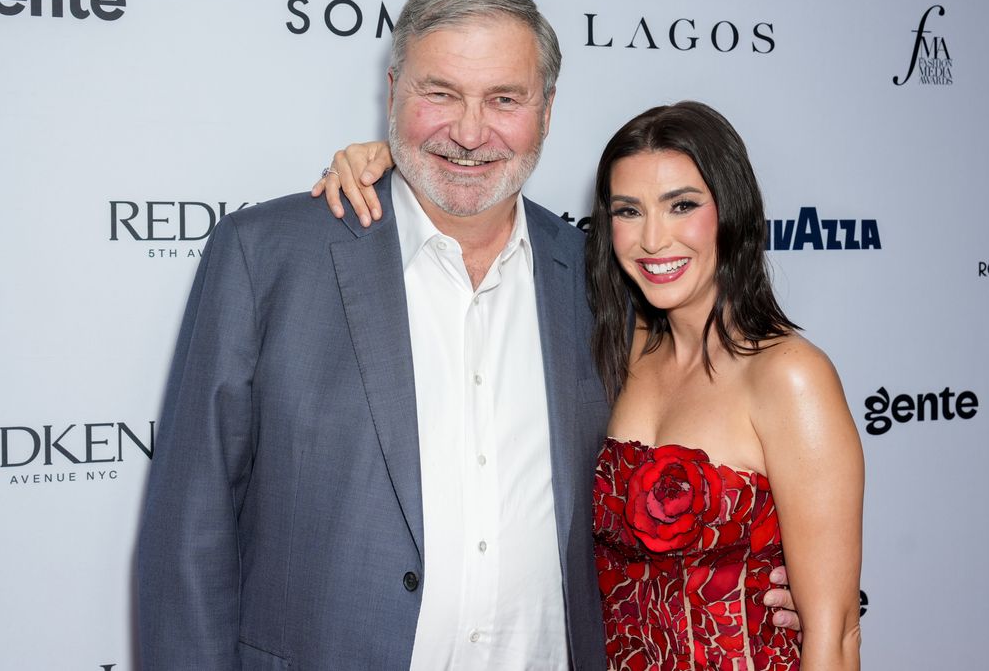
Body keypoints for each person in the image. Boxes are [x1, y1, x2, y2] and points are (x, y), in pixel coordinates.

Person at [318, 102, 862, 670]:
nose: (654, 239)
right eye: (629, 211)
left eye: (682, 205)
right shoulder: (610, 347)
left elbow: (837, 633)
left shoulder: (789, 376)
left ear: (732, 210)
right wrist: (393, 163)